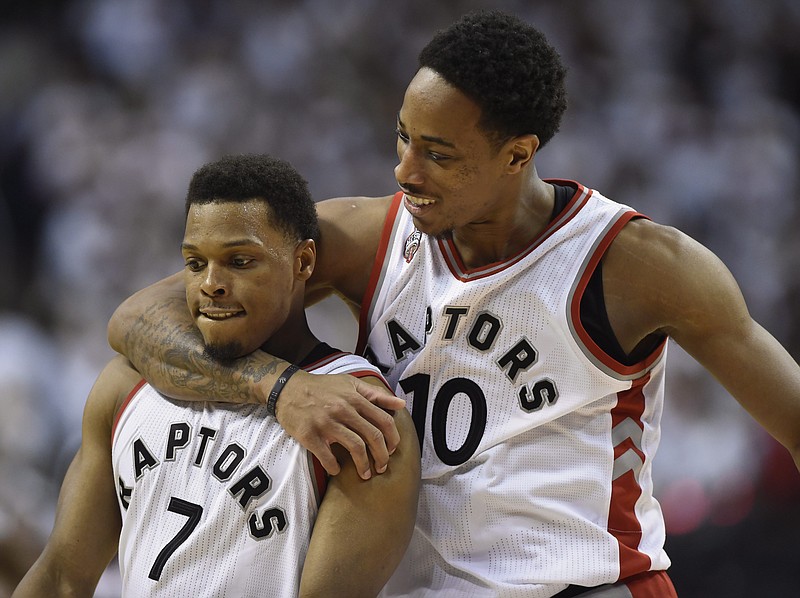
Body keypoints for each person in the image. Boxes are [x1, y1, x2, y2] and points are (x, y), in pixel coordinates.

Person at [108, 10, 800, 598]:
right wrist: (278, 387)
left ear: (517, 154)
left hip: (583, 585)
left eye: (437, 153)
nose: (405, 170)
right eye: (403, 136)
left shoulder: (635, 263)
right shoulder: (370, 235)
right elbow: (138, 321)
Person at [14, 154, 420, 598]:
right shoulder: (127, 383)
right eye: (194, 263)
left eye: (240, 261)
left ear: (303, 262)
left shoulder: (358, 415)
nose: (211, 284)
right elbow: (62, 577)